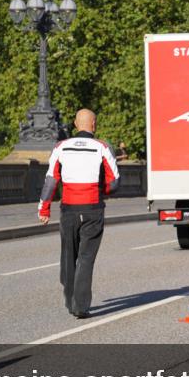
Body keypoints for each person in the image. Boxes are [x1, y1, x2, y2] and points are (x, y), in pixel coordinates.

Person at [38, 109, 120, 318]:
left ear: (75, 124)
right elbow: (114, 182)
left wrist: (44, 208)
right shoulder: (102, 147)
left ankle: (69, 297)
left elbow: (51, 180)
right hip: (92, 208)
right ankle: (81, 306)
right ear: (94, 125)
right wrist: (102, 191)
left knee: (69, 254)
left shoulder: (60, 147)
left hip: (69, 209)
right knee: (86, 258)